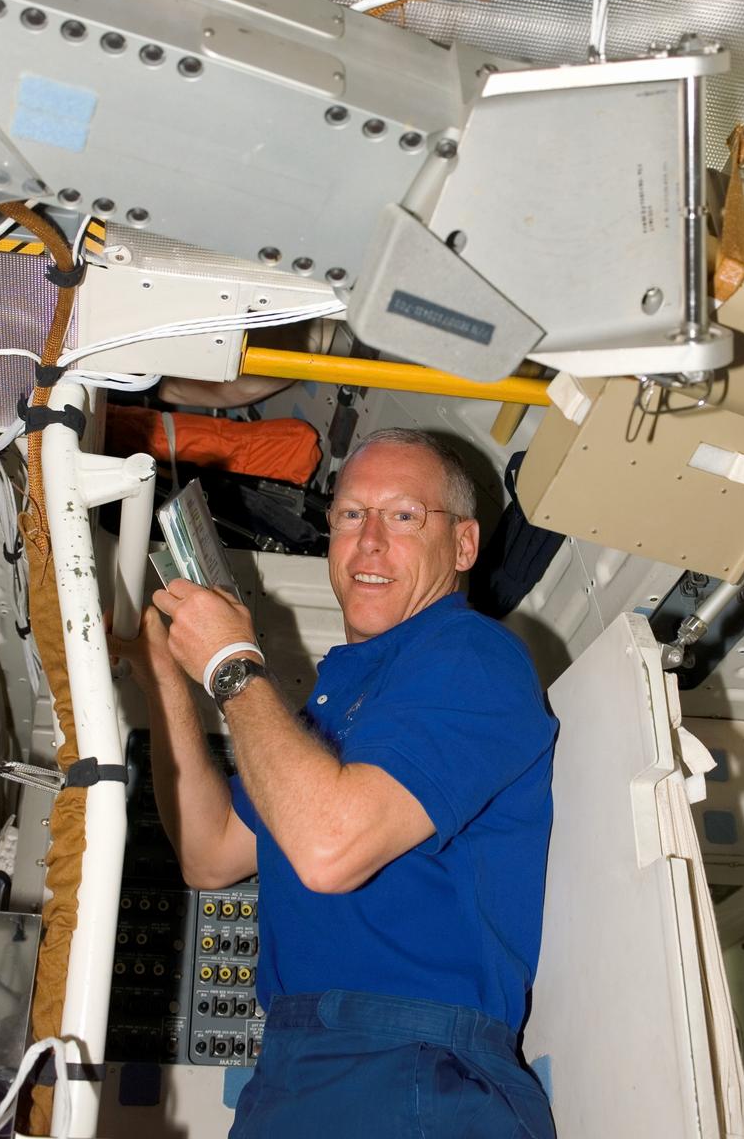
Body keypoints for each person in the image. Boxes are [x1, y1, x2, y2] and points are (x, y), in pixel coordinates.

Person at [111, 428, 558, 1138]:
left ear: (464, 546)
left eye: (404, 516)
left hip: (411, 1065)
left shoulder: (471, 656)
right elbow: (209, 851)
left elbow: (329, 849)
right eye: (350, 514)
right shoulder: (334, 700)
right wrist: (164, 676)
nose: (369, 541)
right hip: (297, 1060)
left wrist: (231, 665)